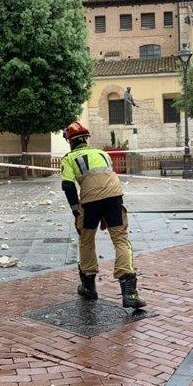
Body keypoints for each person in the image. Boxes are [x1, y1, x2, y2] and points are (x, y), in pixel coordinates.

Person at [60, 121, 146, 309]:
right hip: (114, 197)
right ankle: (129, 292)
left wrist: (76, 211)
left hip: (90, 201)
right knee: (121, 240)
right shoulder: (102, 153)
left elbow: (67, 186)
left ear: (70, 142)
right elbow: (106, 178)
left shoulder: (68, 158)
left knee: (86, 239)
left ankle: (89, 287)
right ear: (86, 139)